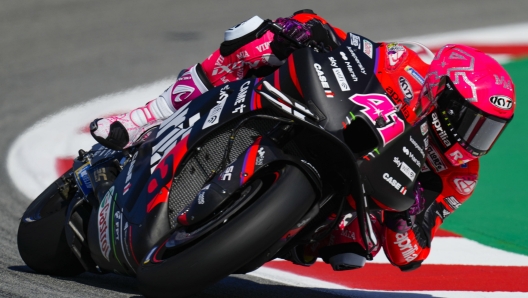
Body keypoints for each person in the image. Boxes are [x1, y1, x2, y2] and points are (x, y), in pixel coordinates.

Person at [89, 10, 516, 272]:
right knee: (257, 40)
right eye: (470, 121)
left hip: (351, 200)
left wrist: (413, 215)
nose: (472, 138)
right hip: (326, 121)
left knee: (351, 252)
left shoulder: (460, 176)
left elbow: (409, 253)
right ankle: (147, 117)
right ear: (440, 94)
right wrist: (303, 31)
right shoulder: (407, 65)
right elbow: (346, 44)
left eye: (489, 130)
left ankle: (249, 230)